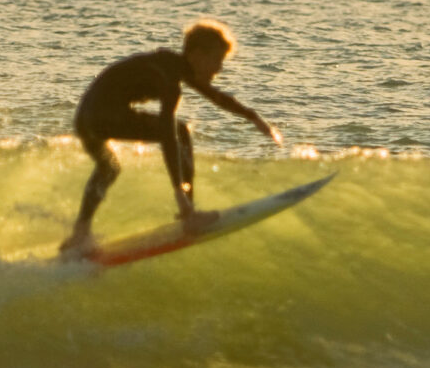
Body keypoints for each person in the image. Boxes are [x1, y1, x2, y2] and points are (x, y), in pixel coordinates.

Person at [64, 19, 279, 255]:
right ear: (197, 55)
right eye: (216, 61)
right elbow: (168, 133)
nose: (219, 69)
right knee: (181, 132)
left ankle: (80, 231)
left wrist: (254, 117)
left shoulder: (171, 67)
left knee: (109, 168)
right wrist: (179, 191)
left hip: (85, 119)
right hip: (105, 116)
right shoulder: (168, 79)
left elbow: (215, 96)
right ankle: (189, 214)